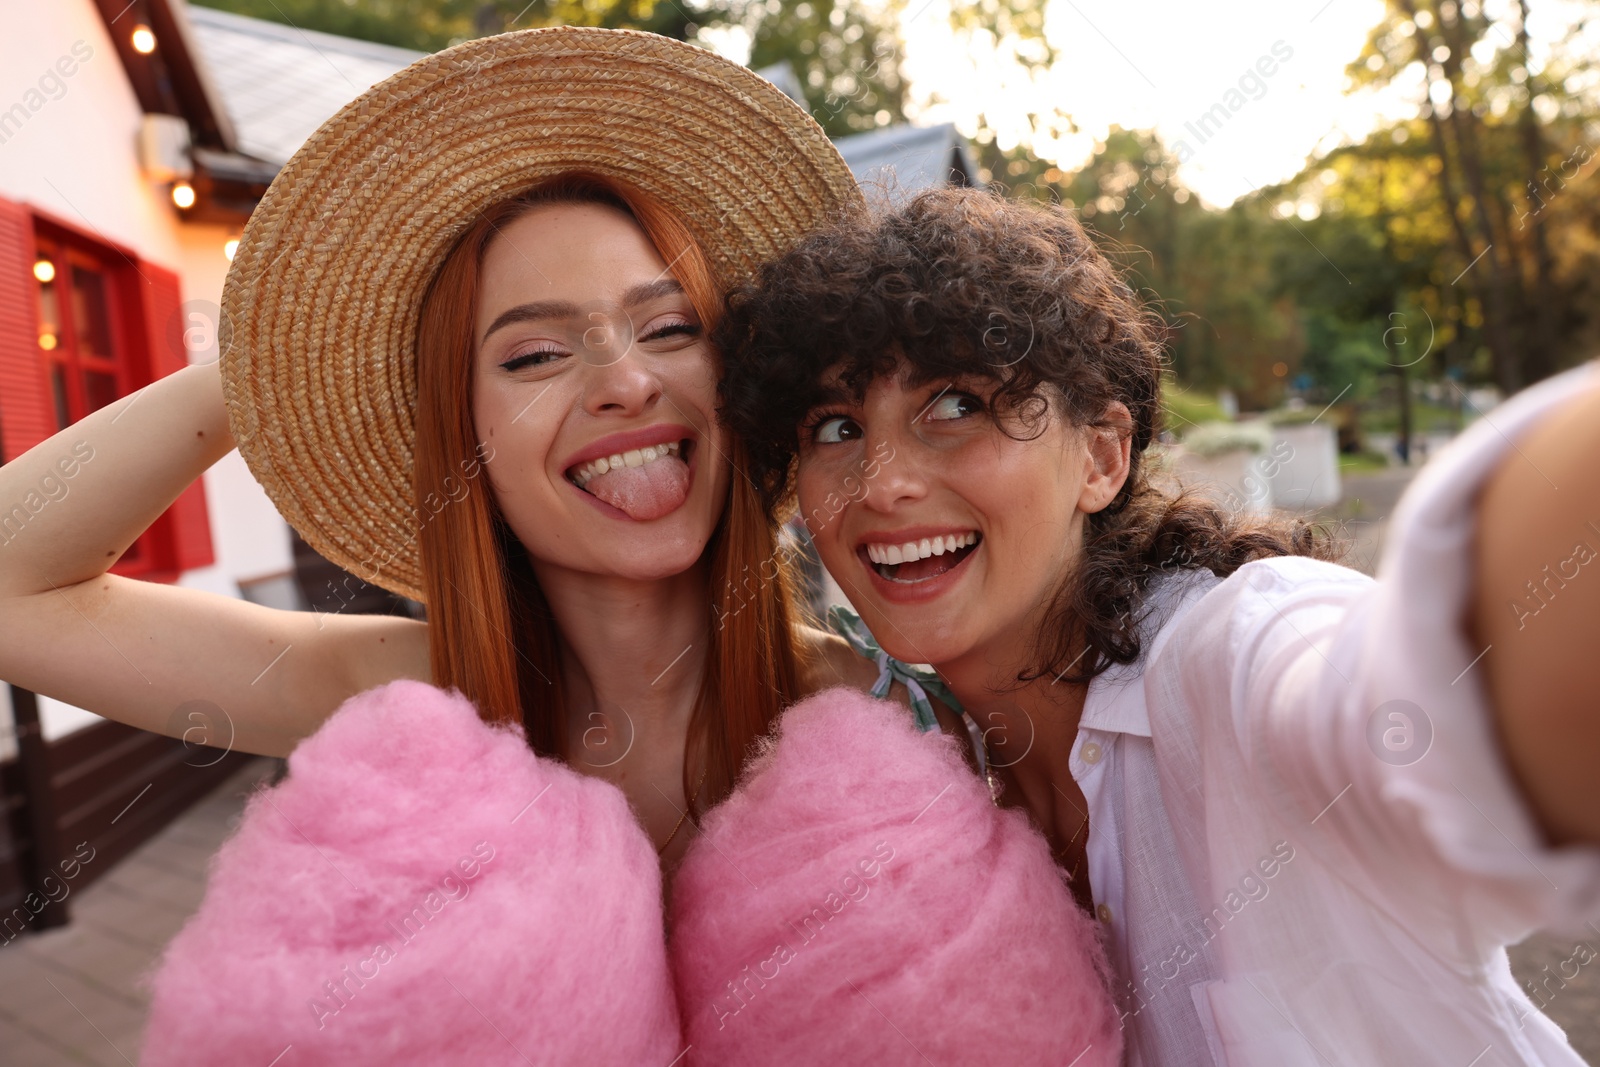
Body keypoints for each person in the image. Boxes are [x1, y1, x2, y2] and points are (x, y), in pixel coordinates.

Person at [719, 186, 1600, 1065]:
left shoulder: (1232, 658)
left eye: (954, 406)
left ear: (1102, 455)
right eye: (835, 426)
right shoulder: (919, 786)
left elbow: (1415, 688)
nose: (882, 483)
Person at [0, 27, 874, 879]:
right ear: (462, 435)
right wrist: (275, 349)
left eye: (672, 327)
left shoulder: (889, 708)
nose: (626, 381)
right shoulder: (393, 695)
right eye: (534, 354)